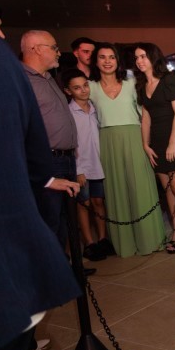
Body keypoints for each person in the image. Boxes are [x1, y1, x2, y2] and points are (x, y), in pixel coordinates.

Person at [0, 35, 82, 350]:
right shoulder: (8, 66)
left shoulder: (27, 73)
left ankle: (29, 346)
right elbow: (30, 137)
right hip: (11, 243)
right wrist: (46, 176)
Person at [88, 42, 166, 257]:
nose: (107, 61)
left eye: (111, 57)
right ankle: (125, 245)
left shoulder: (132, 83)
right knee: (116, 193)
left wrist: (148, 143)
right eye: (102, 57)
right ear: (96, 62)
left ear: (118, 61)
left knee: (141, 189)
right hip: (107, 142)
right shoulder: (90, 87)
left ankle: (150, 240)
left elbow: (145, 115)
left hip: (135, 138)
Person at [21, 30, 78, 248]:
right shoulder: (22, 81)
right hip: (47, 161)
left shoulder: (50, 78)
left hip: (67, 159)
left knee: (65, 221)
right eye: (54, 48)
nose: (58, 53)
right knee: (50, 220)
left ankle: (64, 265)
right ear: (36, 49)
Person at [135, 43, 175, 254]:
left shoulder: (169, 80)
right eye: (137, 57)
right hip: (157, 142)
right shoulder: (142, 85)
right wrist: (145, 144)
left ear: (153, 57)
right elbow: (145, 118)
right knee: (167, 188)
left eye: (143, 56)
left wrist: (172, 143)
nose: (139, 61)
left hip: (174, 139)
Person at [62, 69, 113, 261]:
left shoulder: (95, 108)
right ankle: (89, 243)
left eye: (85, 85)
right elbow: (70, 143)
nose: (83, 90)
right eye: (77, 88)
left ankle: (102, 239)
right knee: (84, 204)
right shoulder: (68, 113)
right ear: (68, 91)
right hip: (81, 166)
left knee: (98, 202)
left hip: (98, 164)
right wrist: (78, 170)